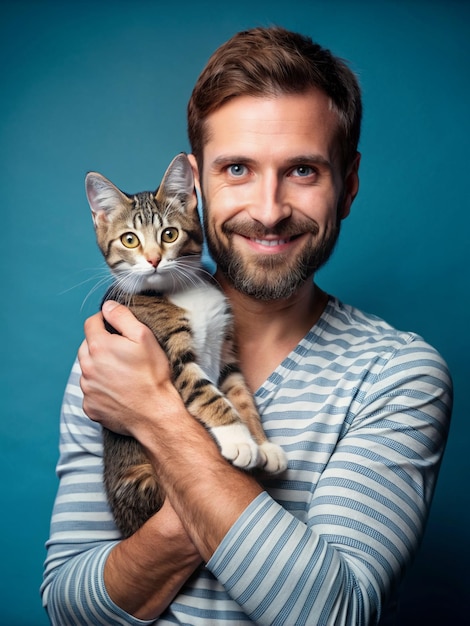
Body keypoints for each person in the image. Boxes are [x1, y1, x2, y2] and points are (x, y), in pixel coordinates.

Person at [41, 26, 452, 625]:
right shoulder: (114, 352)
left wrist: (156, 416)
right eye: (236, 168)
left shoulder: (397, 375)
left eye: (303, 171)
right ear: (197, 187)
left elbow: (332, 614)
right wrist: (231, 502)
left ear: (349, 185)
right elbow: (69, 607)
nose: (267, 209)